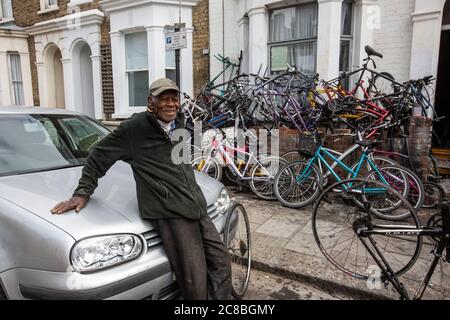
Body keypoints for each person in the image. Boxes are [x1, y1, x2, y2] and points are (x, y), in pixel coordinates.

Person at [51, 78, 232, 300]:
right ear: (150, 102)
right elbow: (98, 155)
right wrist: (82, 192)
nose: (170, 104)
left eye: (174, 99)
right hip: (170, 211)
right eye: (163, 99)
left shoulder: (181, 123)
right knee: (194, 277)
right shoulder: (134, 129)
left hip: (195, 204)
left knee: (221, 261)